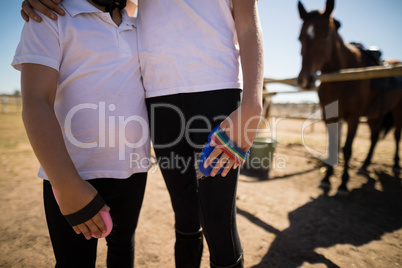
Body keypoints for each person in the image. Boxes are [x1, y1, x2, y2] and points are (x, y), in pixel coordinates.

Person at [21, 0, 264, 267]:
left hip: (218, 87)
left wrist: (253, 103)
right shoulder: (67, 19)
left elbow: (248, 24)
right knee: (184, 217)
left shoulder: (132, 26)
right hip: (159, 98)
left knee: (218, 225)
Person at [13, 0, 150, 267]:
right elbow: (36, 101)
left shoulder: (139, 24)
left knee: (123, 248)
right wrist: (67, 185)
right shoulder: (50, 17)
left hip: (133, 171)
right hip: (72, 174)